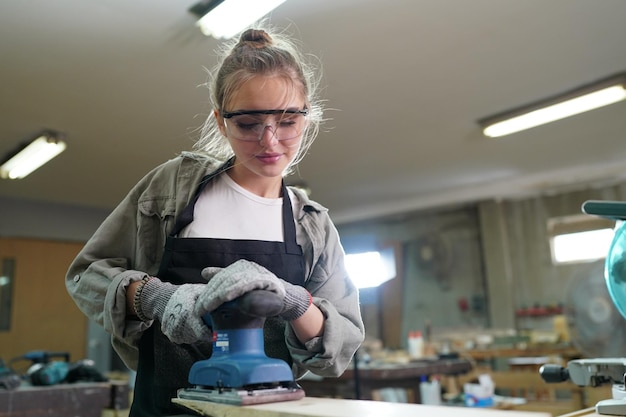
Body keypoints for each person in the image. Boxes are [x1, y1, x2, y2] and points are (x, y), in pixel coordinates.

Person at [65, 26, 365, 416]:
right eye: (248, 123)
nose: (270, 141)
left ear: (306, 119)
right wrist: (158, 299)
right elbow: (87, 274)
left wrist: (291, 301)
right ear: (221, 121)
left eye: (287, 121)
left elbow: (337, 349)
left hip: (266, 410)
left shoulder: (311, 225)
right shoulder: (172, 188)